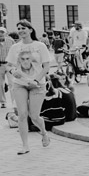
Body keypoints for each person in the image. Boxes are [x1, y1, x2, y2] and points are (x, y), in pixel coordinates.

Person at [5, 21, 54, 152]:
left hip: (37, 84)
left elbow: (47, 67)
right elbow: (8, 65)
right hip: (19, 84)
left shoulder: (40, 46)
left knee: (34, 116)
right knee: (22, 115)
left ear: (31, 30)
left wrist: (36, 80)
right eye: (19, 28)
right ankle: (25, 145)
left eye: (23, 28)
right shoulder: (15, 47)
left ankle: (44, 133)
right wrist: (12, 71)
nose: (21, 30)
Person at [0, 26, 11, 108]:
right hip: (0, 64)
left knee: (13, 83)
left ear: (5, 34)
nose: (1, 35)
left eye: (2, 33)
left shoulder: (10, 41)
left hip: (9, 64)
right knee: (0, 84)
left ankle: (15, 101)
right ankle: (3, 102)